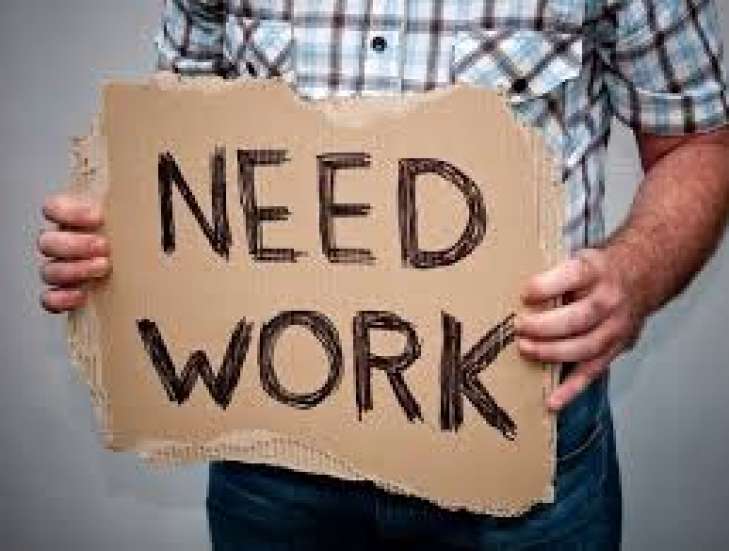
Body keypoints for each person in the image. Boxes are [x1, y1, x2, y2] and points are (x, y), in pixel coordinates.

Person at [37, 0, 729, 548]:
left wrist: (634, 273)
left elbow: (699, 140)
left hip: (526, 446)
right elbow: (175, 151)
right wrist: (113, 242)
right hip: (273, 457)